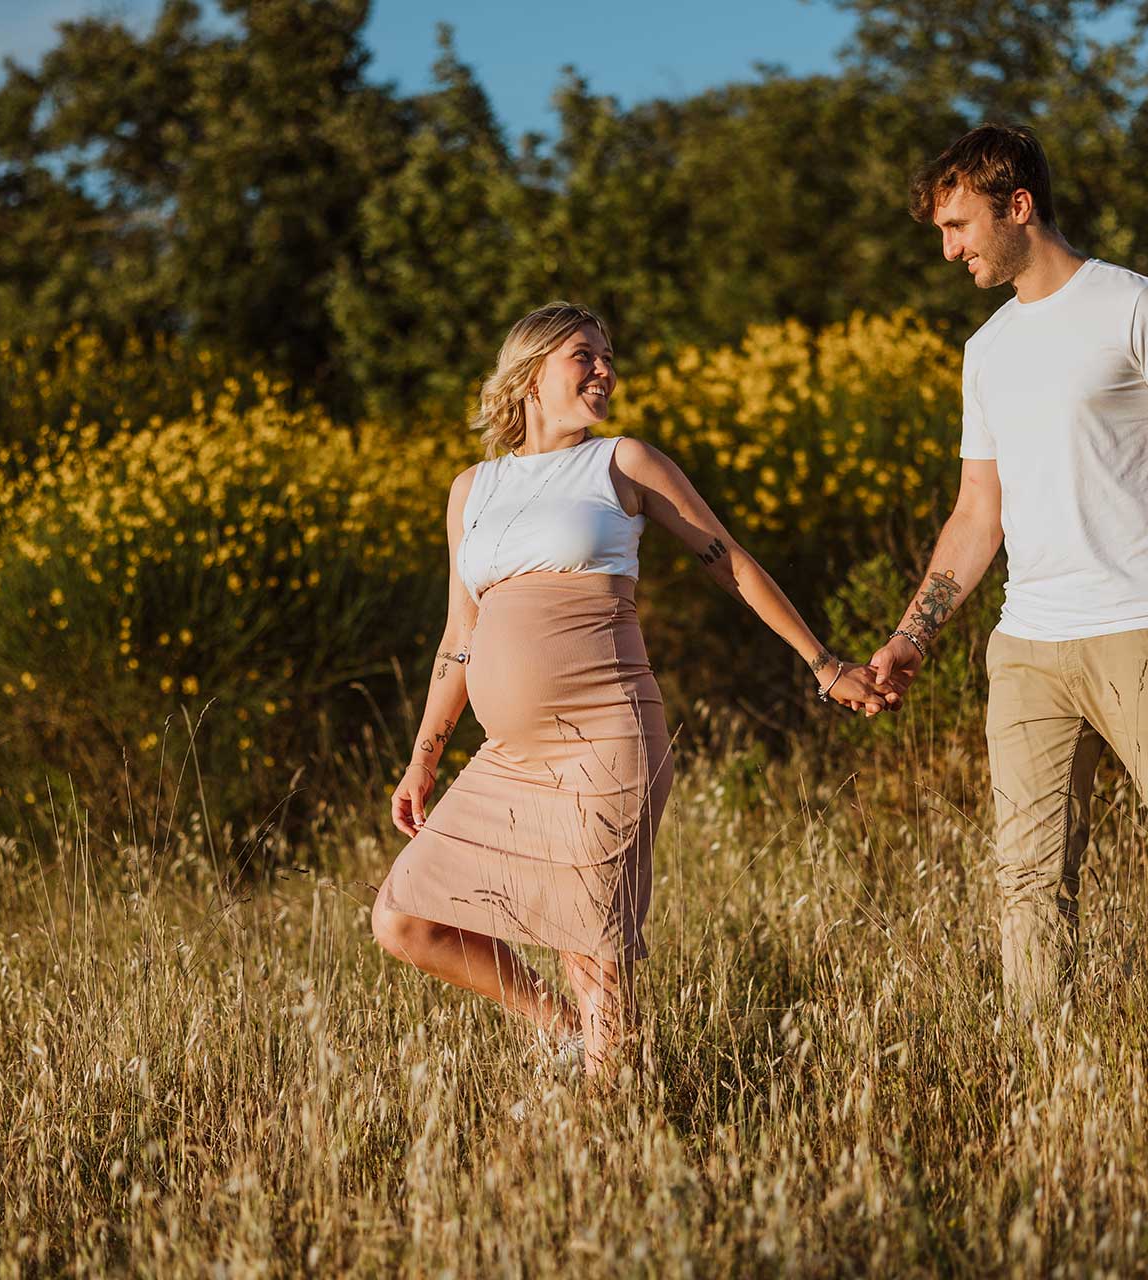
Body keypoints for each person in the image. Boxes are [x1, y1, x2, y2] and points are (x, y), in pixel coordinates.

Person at [372, 301, 890, 1077]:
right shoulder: (471, 490)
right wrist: (422, 762)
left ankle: (608, 1106)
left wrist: (823, 664)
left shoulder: (623, 464)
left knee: (592, 946)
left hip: (604, 739)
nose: (606, 370)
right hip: (510, 754)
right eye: (586, 356)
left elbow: (732, 563)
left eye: (608, 355)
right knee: (403, 917)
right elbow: (459, 635)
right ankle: (565, 1035)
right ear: (530, 375)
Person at [872, 125, 1148, 1015]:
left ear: (1018, 207)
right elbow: (976, 512)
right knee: (1026, 883)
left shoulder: (1138, 306)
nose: (949, 248)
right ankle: (1046, 1080)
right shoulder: (985, 350)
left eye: (960, 226)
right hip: (1028, 648)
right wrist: (915, 633)